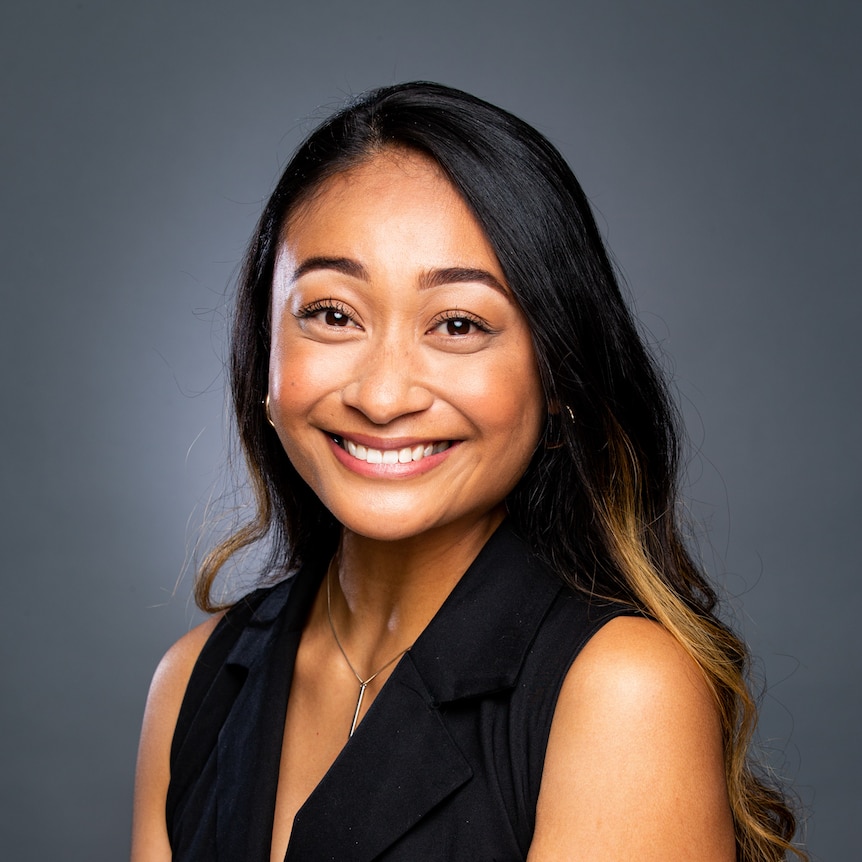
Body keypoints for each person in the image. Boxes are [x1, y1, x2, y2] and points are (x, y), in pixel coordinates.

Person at [131, 82, 804, 861]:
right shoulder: (191, 687)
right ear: (265, 355)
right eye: (332, 314)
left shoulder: (620, 691)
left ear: (558, 381)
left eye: (458, 324)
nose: (382, 396)